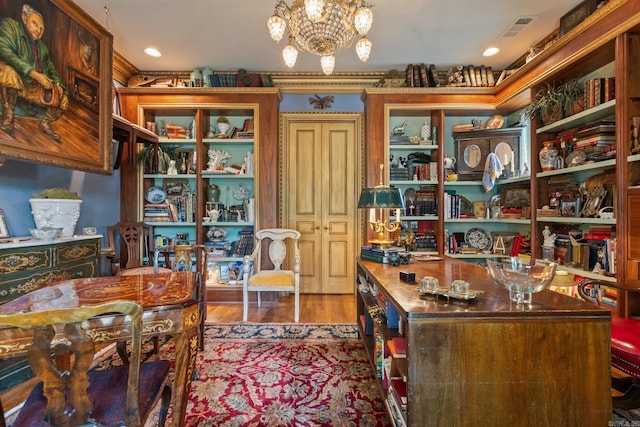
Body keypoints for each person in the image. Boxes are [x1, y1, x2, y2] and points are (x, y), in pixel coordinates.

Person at [0, 4, 68, 141]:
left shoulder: (42, 48)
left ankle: (45, 123)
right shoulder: (10, 26)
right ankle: (7, 115)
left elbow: (52, 71)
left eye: (41, 28)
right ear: (24, 18)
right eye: (35, 24)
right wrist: (33, 73)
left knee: (64, 100)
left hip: (32, 86)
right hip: (14, 76)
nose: (38, 30)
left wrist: (59, 86)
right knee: (8, 72)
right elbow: (5, 51)